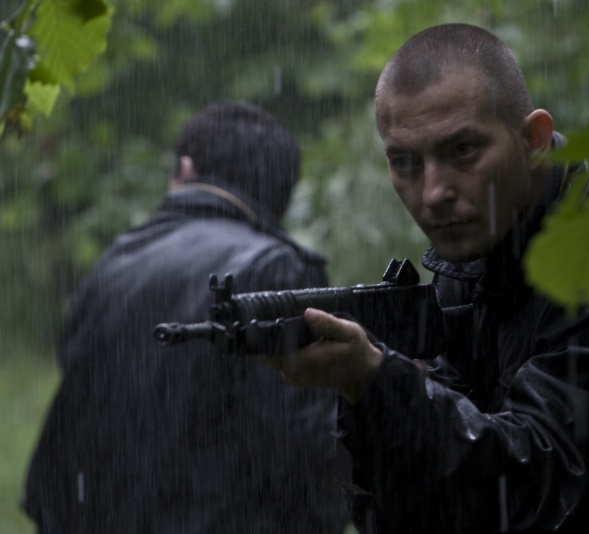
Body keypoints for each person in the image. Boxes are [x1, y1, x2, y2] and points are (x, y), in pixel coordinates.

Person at [265, 24, 589, 533]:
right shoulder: (477, 255)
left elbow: (532, 498)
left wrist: (379, 386)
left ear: (534, 139)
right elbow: (441, 506)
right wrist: (371, 399)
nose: (432, 192)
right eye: (405, 162)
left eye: (463, 151)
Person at [22, 101, 350, 533]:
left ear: (185, 170)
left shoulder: (116, 260)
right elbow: (306, 452)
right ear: (282, 199)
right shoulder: (276, 271)